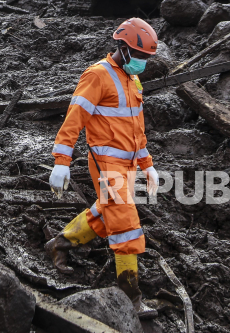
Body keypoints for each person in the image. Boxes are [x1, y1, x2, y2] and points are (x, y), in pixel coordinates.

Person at [46, 18, 161, 318]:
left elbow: (138, 129)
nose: (143, 63)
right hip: (106, 165)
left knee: (106, 212)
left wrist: (147, 165)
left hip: (128, 166)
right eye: (139, 56)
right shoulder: (97, 76)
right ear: (122, 48)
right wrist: (62, 162)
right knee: (125, 227)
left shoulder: (132, 80)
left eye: (147, 58)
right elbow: (74, 119)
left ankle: (59, 244)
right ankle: (131, 298)